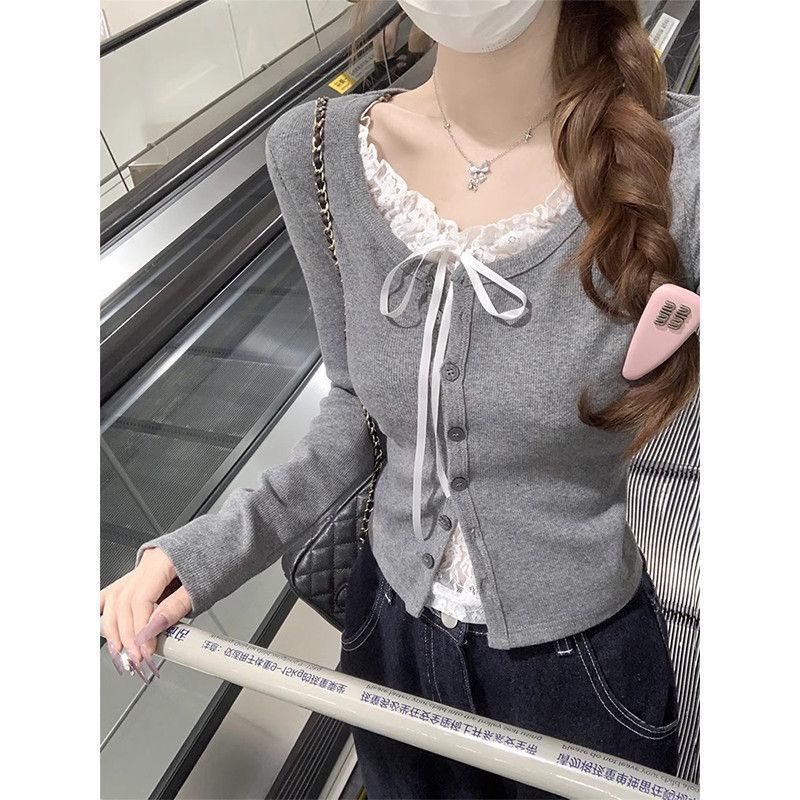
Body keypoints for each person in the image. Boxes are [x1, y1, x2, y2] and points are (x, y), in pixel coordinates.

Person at [100, 0, 699, 796]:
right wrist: (206, 550)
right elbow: (353, 410)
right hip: (388, 646)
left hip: (580, 670)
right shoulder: (317, 154)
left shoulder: (686, 163)